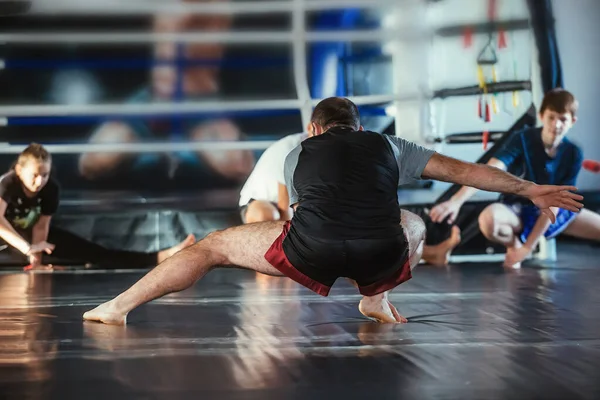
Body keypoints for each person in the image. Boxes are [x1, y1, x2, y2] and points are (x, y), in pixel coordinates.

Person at [82, 97, 583, 325]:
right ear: (359, 127)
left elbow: (298, 211)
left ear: (315, 129)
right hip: (381, 255)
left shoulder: (297, 150)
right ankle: (375, 299)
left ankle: (117, 307)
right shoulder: (390, 145)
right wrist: (531, 187)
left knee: (213, 247)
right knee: (413, 221)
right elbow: (466, 173)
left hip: (311, 254)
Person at [78, 0, 255, 188]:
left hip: (198, 105)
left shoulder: (215, 10)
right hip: (154, 99)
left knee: (238, 167)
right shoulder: (166, 8)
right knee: (93, 163)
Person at [429, 88, 599, 268]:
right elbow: (491, 169)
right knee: (488, 219)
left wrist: (526, 249)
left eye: (563, 119)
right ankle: (513, 243)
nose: (556, 125)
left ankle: (522, 247)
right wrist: (456, 201)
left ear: (572, 121)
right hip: (518, 209)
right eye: (551, 117)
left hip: (554, 212)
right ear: (542, 116)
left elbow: (558, 203)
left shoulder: (573, 152)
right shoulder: (522, 139)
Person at [238, 131, 461, 264]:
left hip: (297, 215)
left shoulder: (331, 153)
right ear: (313, 130)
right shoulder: (293, 149)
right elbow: (285, 208)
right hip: (260, 205)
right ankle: (271, 260)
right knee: (272, 216)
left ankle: (428, 254)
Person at [0, 143, 195, 270]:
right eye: (34, 175)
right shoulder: (8, 184)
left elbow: (41, 226)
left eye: (45, 175)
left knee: (94, 252)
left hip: (27, 236)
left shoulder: (50, 189)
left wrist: (37, 260)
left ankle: (159, 257)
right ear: (19, 170)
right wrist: (28, 249)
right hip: (8, 237)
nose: (39, 181)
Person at [239, 132, 308, 224]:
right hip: (259, 203)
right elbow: (285, 209)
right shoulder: (289, 149)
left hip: (287, 206)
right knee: (268, 215)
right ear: (311, 128)